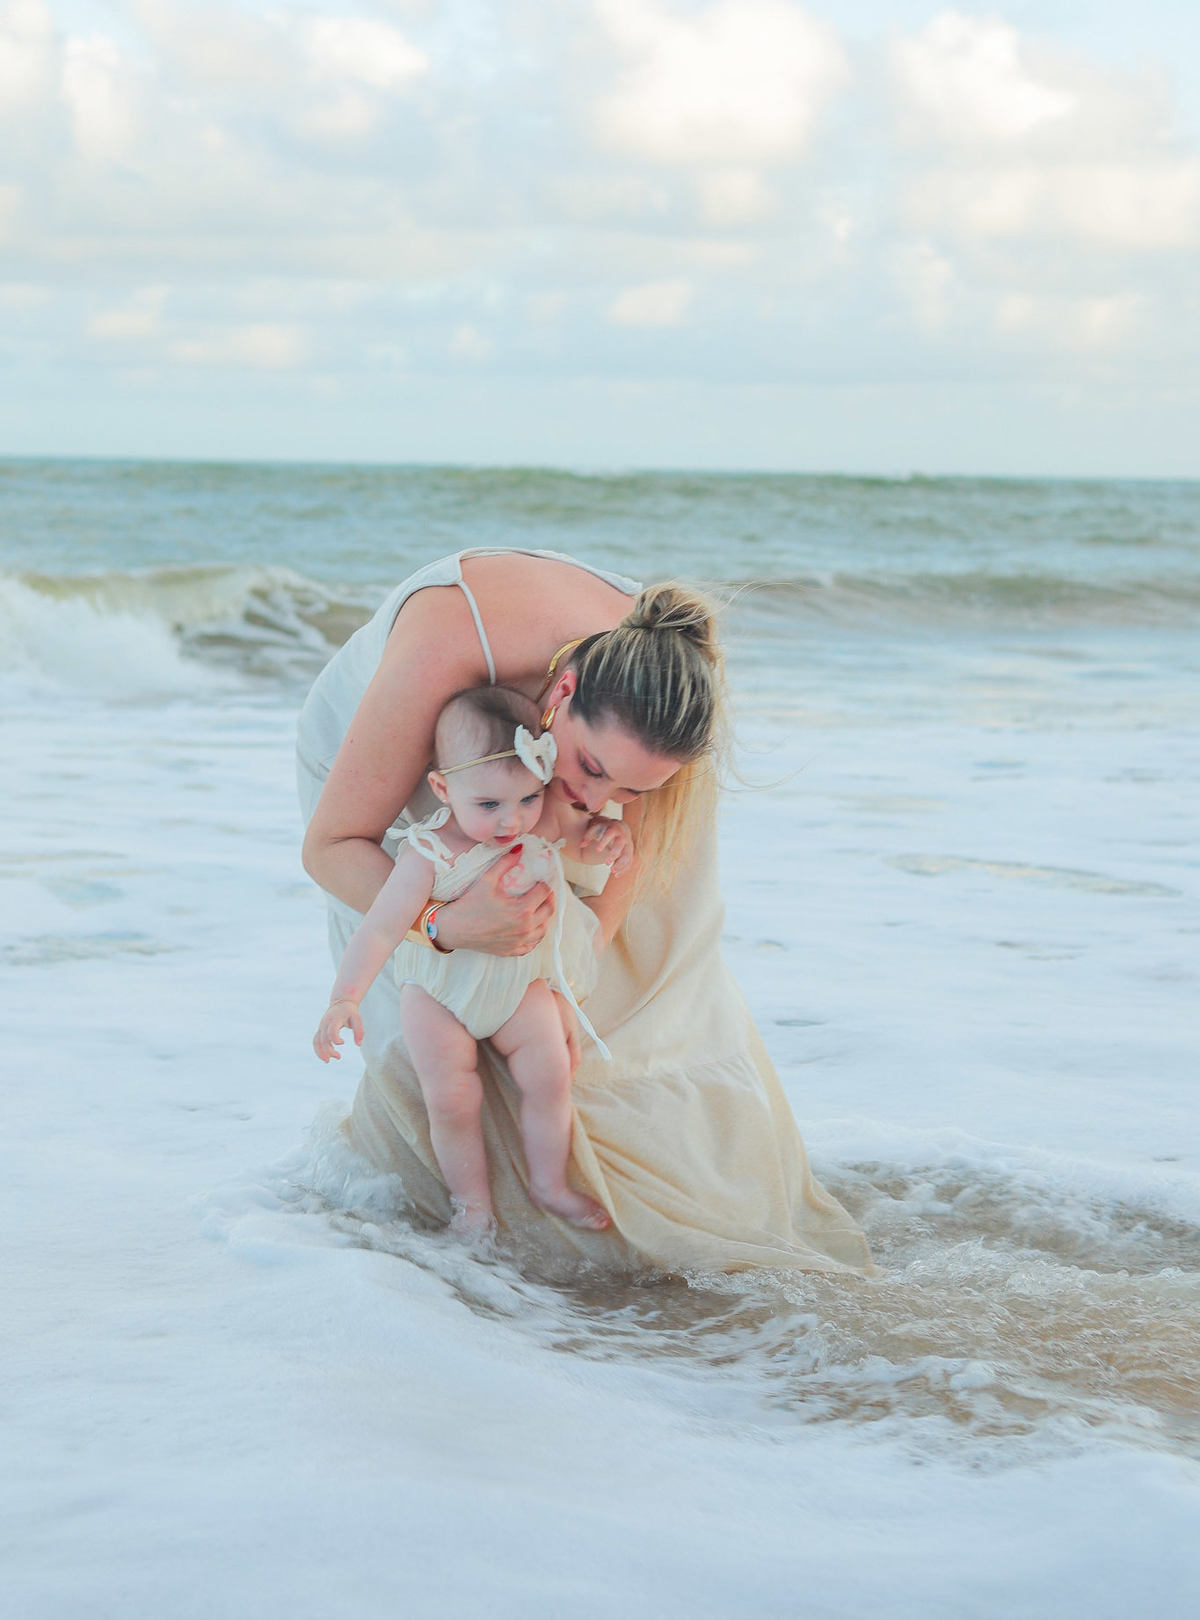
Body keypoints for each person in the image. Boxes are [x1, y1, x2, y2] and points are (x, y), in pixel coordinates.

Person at [298, 547, 872, 1277]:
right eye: (592, 770)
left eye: (629, 790)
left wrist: (569, 970)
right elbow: (331, 848)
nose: (598, 800)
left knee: (635, 976)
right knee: (439, 1021)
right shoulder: (446, 649)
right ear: (563, 690)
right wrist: (443, 925)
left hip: (592, 719)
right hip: (391, 749)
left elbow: (620, 867)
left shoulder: (660, 683)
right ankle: (463, 1224)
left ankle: (630, 1182)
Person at [313, 685, 629, 1236]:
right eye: (489, 805)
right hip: (439, 994)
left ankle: (549, 1184)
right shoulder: (428, 853)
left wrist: (609, 834)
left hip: (516, 983)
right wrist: (345, 998)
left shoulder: (539, 822)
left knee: (552, 1073)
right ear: (443, 788)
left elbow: (582, 841)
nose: (512, 821)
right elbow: (383, 926)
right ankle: (471, 1203)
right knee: (452, 1098)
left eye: (529, 798)